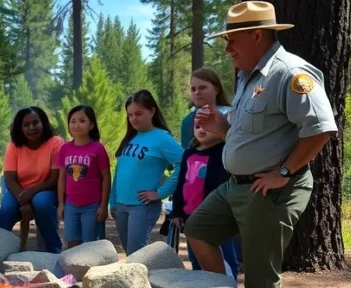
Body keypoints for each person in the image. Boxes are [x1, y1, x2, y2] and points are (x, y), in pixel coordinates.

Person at [187, 1, 338, 288]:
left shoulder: (291, 73)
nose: (227, 48)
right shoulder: (247, 76)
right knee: (198, 231)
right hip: (236, 185)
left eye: (232, 39)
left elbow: (321, 129)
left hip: (270, 188)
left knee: (260, 275)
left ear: (257, 35)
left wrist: (283, 173)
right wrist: (222, 130)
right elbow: (252, 133)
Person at [110, 90, 183, 255]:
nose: (134, 118)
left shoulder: (162, 138)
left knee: (137, 255)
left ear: (152, 111)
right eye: (130, 115)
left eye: (138, 113)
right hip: (121, 205)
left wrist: (161, 192)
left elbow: (184, 163)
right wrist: (113, 201)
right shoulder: (131, 137)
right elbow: (119, 171)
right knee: (130, 254)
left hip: (142, 207)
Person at [168, 121, 239, 278]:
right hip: (189, 215)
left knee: (226, 256)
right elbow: (181, 184)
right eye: (198, 126)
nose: (202, 130)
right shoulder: (189, 153)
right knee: (197, 257)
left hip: (216, 216)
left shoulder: (222, 152)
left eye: (208, 126)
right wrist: (177, 211)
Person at [0, 107, 64, 254]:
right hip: (18, 192)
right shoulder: (14, 146)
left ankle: (54, 251)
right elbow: (10, 179)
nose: (31, 128)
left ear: (43, 123)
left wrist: (31, 193)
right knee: (7, 209)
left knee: (41, 202)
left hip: (46, 190)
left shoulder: (56, 142)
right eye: (26, 125)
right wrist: (24, 201)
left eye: (35, 123)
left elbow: (54, 179)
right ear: (20, 128)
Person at [57, 105, 111, 248]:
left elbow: (106, 177)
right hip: (71, 206)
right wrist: (61, 204)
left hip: (92, 206)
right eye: (72, 121)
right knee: (72, 243)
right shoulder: (64, 149)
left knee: (91, 246)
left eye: (82, 121)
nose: (76, 125)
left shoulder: (98, 149)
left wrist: (104, 205)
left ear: (91, 124)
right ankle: (74, 271)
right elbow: (62, 177)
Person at [180, 68, 233, 148]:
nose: (197, 92)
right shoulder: (187, 121)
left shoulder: (232, 114)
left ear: (216, 90)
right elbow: (187, 153)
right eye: (193, 89)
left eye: (202, 88)